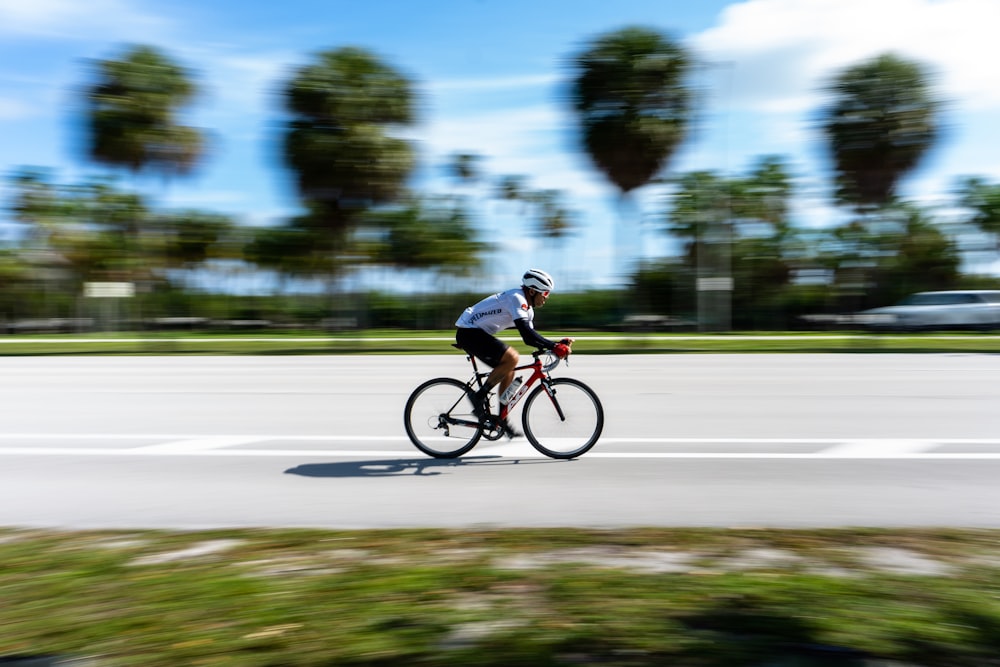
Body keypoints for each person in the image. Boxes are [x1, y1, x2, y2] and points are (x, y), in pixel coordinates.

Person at [455, 269, 573, 431]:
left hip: (477, 333)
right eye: (545, 293)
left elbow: (532, 337)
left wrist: (557, 344)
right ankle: (478, 397)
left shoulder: (527, 310)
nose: (547, 297)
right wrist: (553, 346)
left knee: (509, 369)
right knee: (512, 358)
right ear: (532, 291)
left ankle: (501, 419)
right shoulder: (517, 298)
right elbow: (527, 335)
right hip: (468, 331)